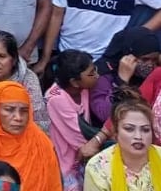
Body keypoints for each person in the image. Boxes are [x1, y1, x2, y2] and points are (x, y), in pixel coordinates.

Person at [45, 50, 101, 191]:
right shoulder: (56, 99)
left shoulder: (84, 89)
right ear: (75, 82)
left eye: (95, 69)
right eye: (91, 73)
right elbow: (81, 134)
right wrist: (105, 135)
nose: (97, 75)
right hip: (65, 164)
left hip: (82, 158)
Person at [83, 95, 161, 190]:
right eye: (129, 129)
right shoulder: (97, 168)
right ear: (116, 133)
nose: (138, 137)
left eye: (145, 130)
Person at [90, 26, 160, 125]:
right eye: (145, 59)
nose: (150, 65)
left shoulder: (154, 73)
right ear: (126, 56)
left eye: (154, 60)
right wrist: (121, 82)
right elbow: (105, 115)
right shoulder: (103, 74)